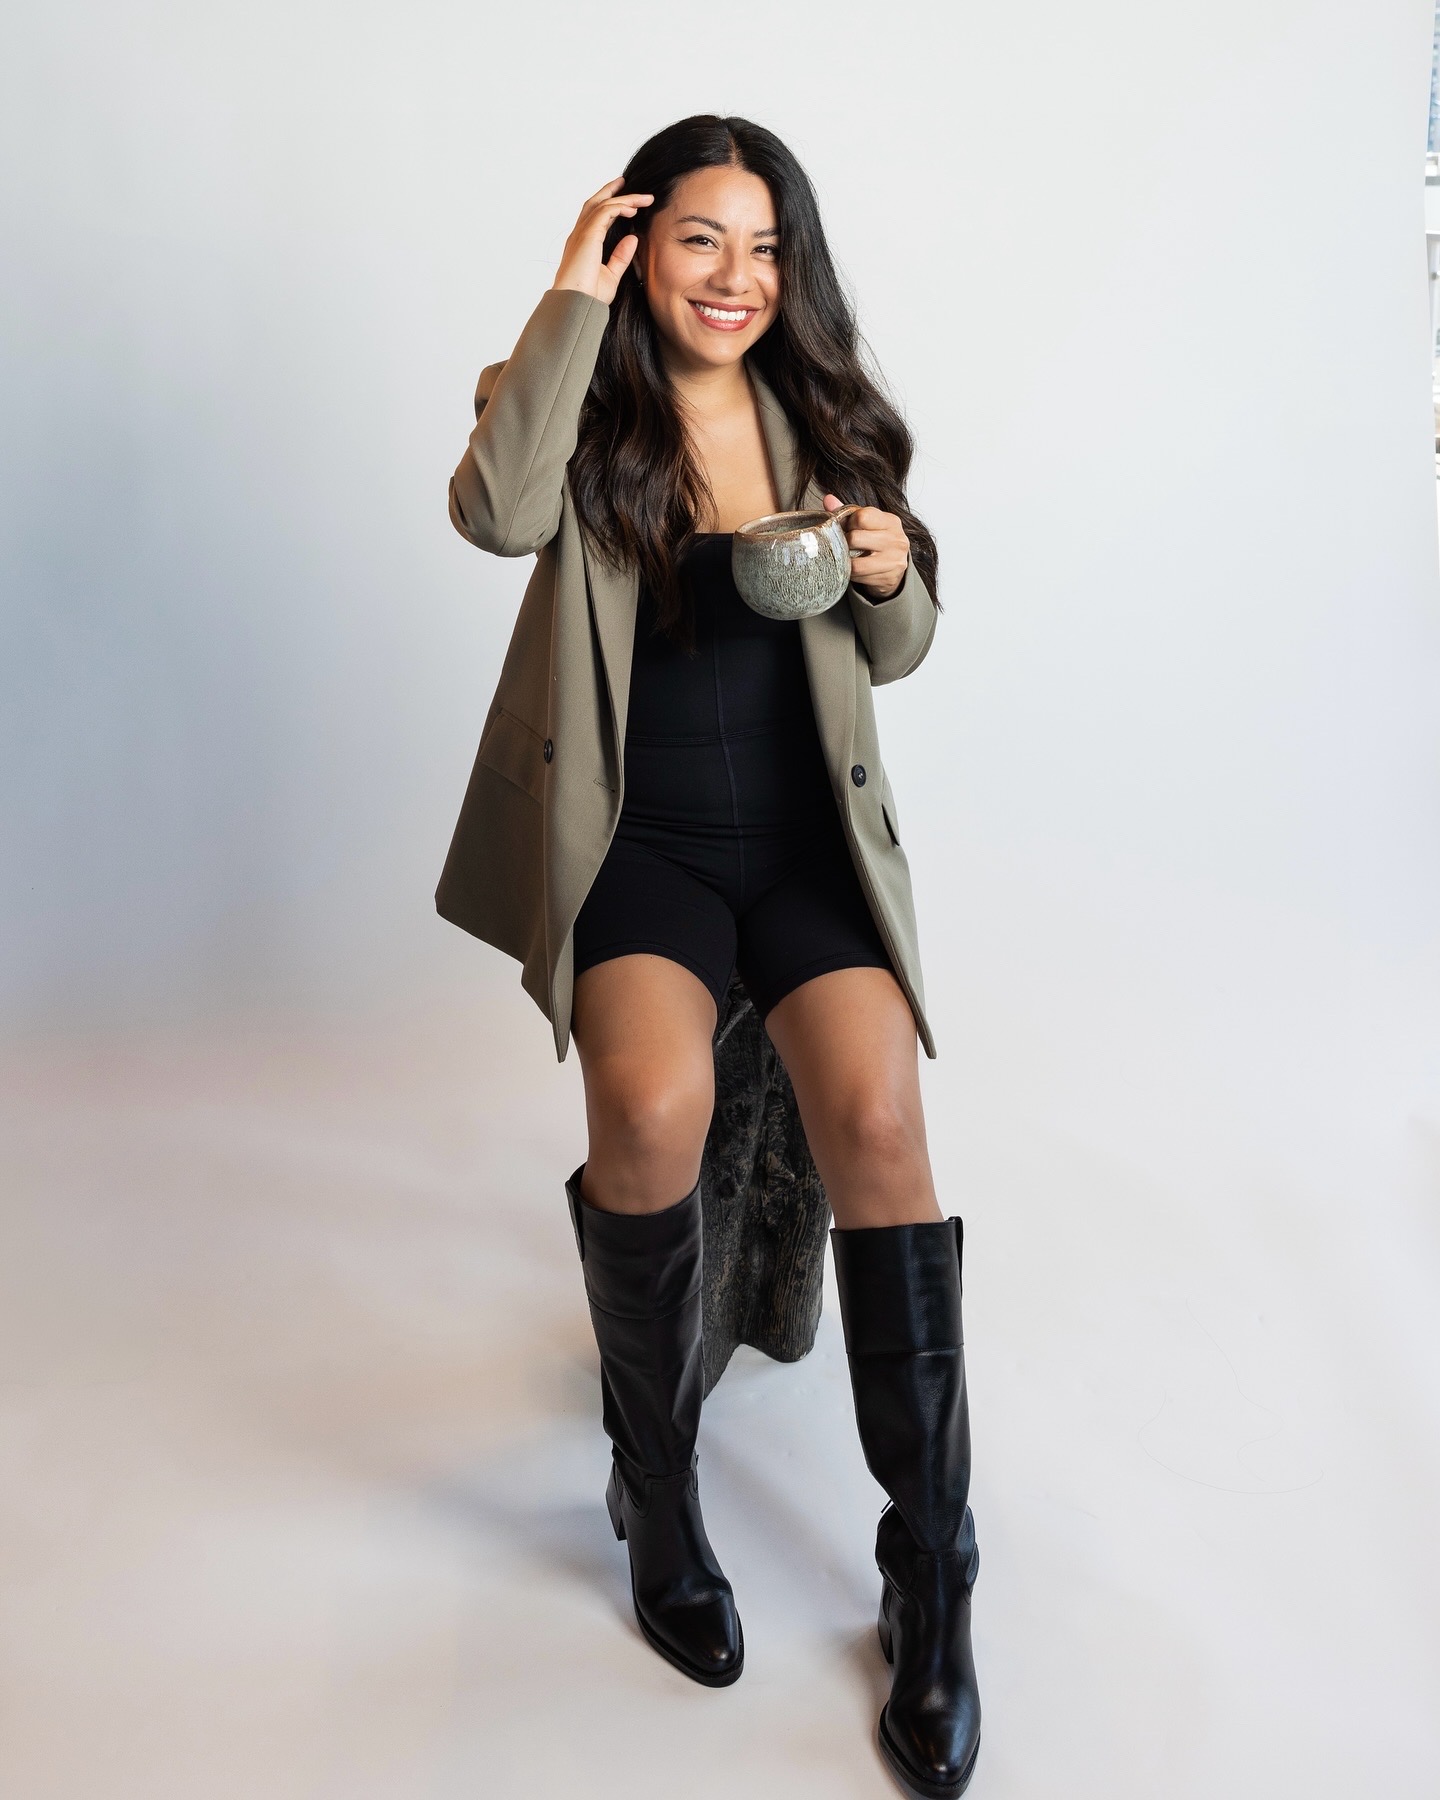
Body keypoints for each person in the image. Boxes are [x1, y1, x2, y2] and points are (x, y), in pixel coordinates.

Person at [440, 115, 981, 1800]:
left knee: (883, 1130)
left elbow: (896, 643)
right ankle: (655, 1486)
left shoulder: (819, 415)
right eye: (696, 244)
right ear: (636, 245)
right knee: (653, 1111)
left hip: (807, 856)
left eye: (761, 249)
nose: (734, 280)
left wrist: (894, 568)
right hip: (644, 855)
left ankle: (931, 1565)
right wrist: (564, 303)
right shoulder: (570, 398)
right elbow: (493, 512)